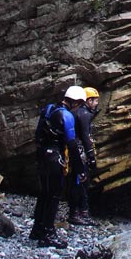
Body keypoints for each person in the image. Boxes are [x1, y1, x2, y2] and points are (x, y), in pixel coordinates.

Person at [30, 86, 88, 249]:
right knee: (54, 195)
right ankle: (48, 233)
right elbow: (72, 144)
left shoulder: (49, 108)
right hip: (54, 158)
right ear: (75, 102)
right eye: (80, 104)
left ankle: (37, 229)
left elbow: (38, 133)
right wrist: (80, 170)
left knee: (44, 194)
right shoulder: (67, 116)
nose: (80, 107)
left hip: (42, 154)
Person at [67, 86, 101, 226]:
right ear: (88, 100)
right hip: (79, 153)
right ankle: (78, 213)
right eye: (95, 101)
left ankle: (79, 212)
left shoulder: (76, 112)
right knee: (81, 182)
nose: (97, 103)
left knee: (79, 183)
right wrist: (91, 157)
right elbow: (86, 138)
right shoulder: (84, 114)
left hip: (74, 152)